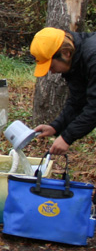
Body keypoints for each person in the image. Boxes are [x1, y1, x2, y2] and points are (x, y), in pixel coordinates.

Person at [30, 27, 96, 155]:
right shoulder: (75, 62)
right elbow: (77, 101)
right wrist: (56, 126)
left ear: (66, 53)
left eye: (51, 66)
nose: (51, 71)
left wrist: (67, 137)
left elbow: (94, 107)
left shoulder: (93, 57)